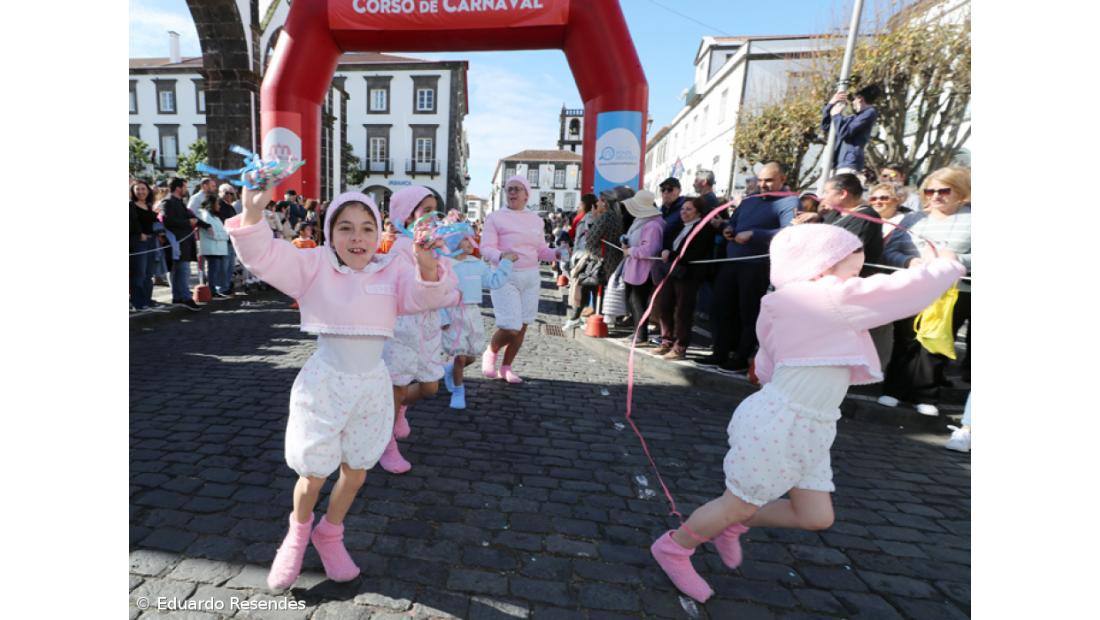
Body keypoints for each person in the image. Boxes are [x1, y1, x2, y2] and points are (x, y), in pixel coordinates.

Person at [649, 223, 966, 603]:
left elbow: (767, 359)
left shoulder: (791, 299)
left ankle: (732, 524)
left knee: (815, 516)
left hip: (807, 422)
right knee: (737, 502)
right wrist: (946, 265)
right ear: (824, 263)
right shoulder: (826, 295)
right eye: (854, 262)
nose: (861, 270)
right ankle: (675, 547)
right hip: (784, 421)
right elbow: (905, 292)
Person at [226, 184, 457, 592]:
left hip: (371, 387)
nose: (357, 238)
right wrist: (252, 214)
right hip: (325, 385)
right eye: (345, 228)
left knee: (357, 471)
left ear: (378, 233)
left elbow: (428, 297)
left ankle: (330, 533)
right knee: (314, 474)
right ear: (330, 232)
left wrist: (426, 264)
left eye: (367, 228)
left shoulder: (392, 270)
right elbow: (264, 256)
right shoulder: (314, 266)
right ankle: (297, 534)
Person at [879, 167, 972, 414]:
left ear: (960, 191)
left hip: (954, 291)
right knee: (905, 338)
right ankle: (893, 390)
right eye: (930, 191)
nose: (936, 196)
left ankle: (926, 396)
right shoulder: (913, 219)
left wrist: (958, 259)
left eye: (944, 191)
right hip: (915, 285)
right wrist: (909, 261)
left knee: (935, 342)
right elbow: (891, 251)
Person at [700, 162, 797, 372]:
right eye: (760, 180)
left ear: (782, 179)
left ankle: (741, 357)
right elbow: (734, 222)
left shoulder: (789, 202)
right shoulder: (750, 199)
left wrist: (755, 234)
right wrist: (728, 228)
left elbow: (789, 232)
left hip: (757, 265)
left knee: (748, 313)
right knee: (721, 308)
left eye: (768, 180)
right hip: (731, 262)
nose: (763, 184)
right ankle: (720, 352)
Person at [379, 186, 450, 474]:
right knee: (396, 384)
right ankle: (386, 444)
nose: (433, 216)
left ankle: (398, 409)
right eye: (426, 210)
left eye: (435, 210)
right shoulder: (398, 249)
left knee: (431, 386)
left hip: (428, 325)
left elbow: (448, 282)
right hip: (402, 327)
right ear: (408, 215)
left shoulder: (437, 245)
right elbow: (401, 289)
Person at [479, 176, 567, 382]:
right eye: (509, 189)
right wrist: (501, 256)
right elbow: (486, 248)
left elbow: (541, 250)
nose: (512, 192)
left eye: (517, 189)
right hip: (504, 275)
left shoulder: (536, 220)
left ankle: (506, 367)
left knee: (524, 324)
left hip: (531, 277)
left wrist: (556, 253)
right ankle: (490, 351)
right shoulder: (495, 218)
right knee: (511, 326)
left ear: (527, 195)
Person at [441, 234, 516, 409]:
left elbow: (494, 281)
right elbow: (438, 293)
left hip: (472, 313)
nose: (470, 243)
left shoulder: (476, 264)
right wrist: (443, 317)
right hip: (452, 313)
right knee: (460, 355)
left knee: (471, 356)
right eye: (465, 239)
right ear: (454, 242)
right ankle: (458, 391)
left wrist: (506, 263)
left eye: (470, 239)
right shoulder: (444, 266)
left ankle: (450, 369)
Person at [654, 197, 713, 360]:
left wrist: (672, 255)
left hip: (688, 274)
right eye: (682, 209)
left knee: (683, 311)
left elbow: (696, 253)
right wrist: (665, 251)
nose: (683, 212)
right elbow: (669, 243)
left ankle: (680, 346)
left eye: (688, 209)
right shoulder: (679, 226)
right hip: (671, 271)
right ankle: (666, 340)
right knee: (665, 305)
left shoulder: (703, 229)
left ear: (698, 212)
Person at [618, 190, 665, 346]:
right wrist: (626, 243)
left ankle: (641, 335)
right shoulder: (643, 220)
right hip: (636, 267)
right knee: (634, 301)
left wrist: (630, 251)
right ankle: (638, 332)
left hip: (644, 269)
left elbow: (648, 250)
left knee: (638, 302)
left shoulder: (653, 225)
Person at [161, 178, 207, 311]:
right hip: (177, 243)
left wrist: (205, 225)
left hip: (183, 243)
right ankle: (185, 298)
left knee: (180, 271)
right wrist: (188, 222)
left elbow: (189, 217)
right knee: (183, 271)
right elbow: (168, 221)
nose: (186, 189)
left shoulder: (180, 202)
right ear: (178, 188)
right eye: (185, 187)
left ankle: (178, 297)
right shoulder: (167, 202)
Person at [821, 85, 880, 178]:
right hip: (837, 162)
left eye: (854, 100)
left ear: (860, 99)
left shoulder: (870, 112)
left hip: (848, 163)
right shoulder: (853, 118)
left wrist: (836, 116)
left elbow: (845, 133)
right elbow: (826, 126)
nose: (852, 103)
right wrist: (831, 104)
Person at [130, 180, 159, 311]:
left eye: (143, 189)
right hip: (138, 243)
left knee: (149, 274)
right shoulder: (130, 206)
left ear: (148, 191)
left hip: (151, 241)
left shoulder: (149, 205)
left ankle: (147, 301)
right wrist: (138, 233)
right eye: (138, 189)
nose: (141, 192)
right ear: (133, 191)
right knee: (139, 273)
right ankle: (138, 303)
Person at [196, 195, 231, 297]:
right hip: (212, 248)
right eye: (217, 204)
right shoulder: (206, 215)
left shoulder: (214, 216)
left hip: (217, 248)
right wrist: (225, 236)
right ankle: (212, 290)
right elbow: (212, 234)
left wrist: (224, 234)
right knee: (213, 271)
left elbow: (221, 230)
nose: (219, 206)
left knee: (215, 270)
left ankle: (214, 290)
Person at [216, 184, 241, 294]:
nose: (229, 195)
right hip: (223, 240)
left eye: (231, 193)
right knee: (223, 266)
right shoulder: (218, 205)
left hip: (231, 240)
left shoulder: (230, 207)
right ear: (220, 193)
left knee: (230, 266)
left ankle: (226, 286)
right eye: (227, 193)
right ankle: (222, 288)